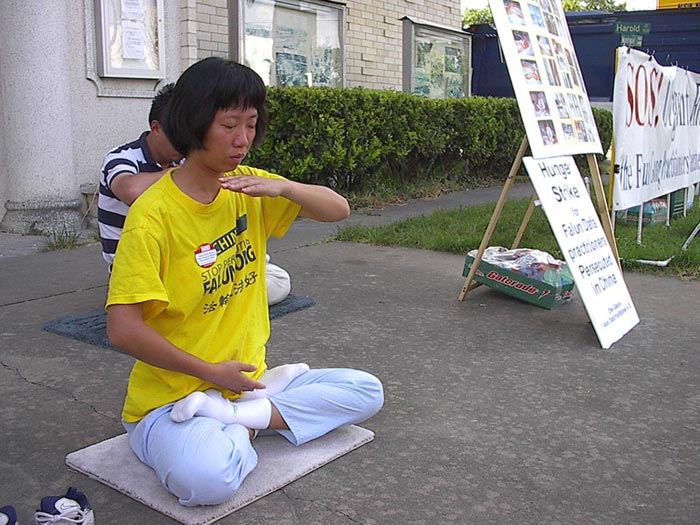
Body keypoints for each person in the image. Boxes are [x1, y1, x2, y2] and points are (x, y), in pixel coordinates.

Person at [105, 57, 384, 507]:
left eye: (251, 125)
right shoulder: (152, 216)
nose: (243, 140)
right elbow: (122, 330)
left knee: (366, 391)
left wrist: (285, 188)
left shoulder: (247, 187)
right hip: (170, 399)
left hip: (246, 382)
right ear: (194, 123)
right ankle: (251, 419)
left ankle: (238, 417)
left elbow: (339, 209)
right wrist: (208, 373)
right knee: (207, 481)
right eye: (230, 125)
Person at [97, 83, 291, 304]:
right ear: (156, 128)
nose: (185, 141)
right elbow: (130, 190)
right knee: (261, 281)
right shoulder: (123, 157)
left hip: (194, 258)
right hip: (143, 266)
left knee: (270, 275)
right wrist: (190, 171)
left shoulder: (185, 159)